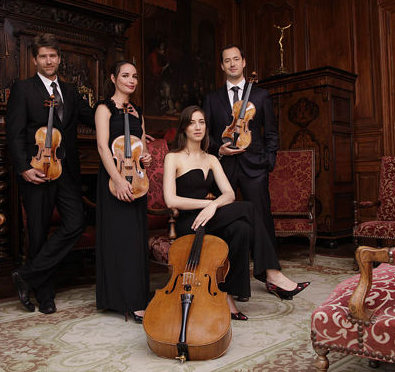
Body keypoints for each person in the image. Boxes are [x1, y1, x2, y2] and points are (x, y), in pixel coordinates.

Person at [163, 106, 309, 321]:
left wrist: (212, 206)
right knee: (248, 208)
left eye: (202, 122)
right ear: (184, 127)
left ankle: (227, 293)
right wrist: (205, 204)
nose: (197, 127)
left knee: (241, 228)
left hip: (209, 217)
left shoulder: (211, 159)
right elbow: (171, 200)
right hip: (189, 223)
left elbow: (229, 194)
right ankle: (271, 273)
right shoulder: (173, 158)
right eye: (192, 122)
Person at [6, 33, 95, 314]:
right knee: (38, 232)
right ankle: (45, 295)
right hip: (37, 170)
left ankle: (28, 274)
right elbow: (14, 133)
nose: (48, 60)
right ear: (35, 59)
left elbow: (94, 118)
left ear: (59, 59)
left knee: (75, 223)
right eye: (43, 56)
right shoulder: (23, 89)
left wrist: (126, 120)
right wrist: (23, 168)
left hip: (66, 171)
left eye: (53, 56)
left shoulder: (70, 91)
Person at [202, 45, 280, 300]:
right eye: (227, 61)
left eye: (236, 59)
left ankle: (269, 273)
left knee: (262, 218)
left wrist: (269, 161)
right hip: (224, 166)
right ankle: (231, 277)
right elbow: (206, 136)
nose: (232, 64)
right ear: (222, 66)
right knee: (226, 221)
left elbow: (270, 133)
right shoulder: (212, 98)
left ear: (244, 62)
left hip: (255, 165)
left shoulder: (261, 95)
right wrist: (219, 150)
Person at [94, 60, 152, 323]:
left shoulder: (137, 111)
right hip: (114, 180)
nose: (131, 80)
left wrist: (147, 157)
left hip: (137, 180)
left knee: (136, 239)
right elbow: (104, 148)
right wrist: (117, 181)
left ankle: (138, 295)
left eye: (135, 76)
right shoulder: (104, 109)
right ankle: (123, 300)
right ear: (113, 77)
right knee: (120, 239)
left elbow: (142, 146)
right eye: (126, 75)